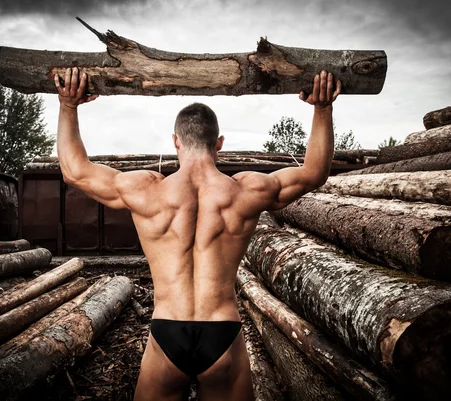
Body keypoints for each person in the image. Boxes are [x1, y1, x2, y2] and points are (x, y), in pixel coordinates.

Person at [55, 67, 342, 401]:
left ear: (176, 141)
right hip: (222, 331)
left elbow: (74, 172)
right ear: (218, 143)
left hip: (167, 331)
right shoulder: (244, 192)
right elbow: (313, 173)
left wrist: (67, 106)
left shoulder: (145, 191)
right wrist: (322, 110)